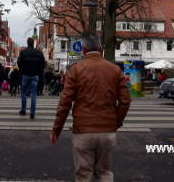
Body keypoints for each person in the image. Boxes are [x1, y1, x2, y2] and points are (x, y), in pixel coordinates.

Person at [50, 35, 131, 182]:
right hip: (107, 131)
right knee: (105, 171)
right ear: (100, 49)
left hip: (83, 130)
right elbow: (125, 100)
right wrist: (116, 122)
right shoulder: (115, 70)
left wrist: (57, 129)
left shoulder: (75, 70)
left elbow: (65, 102)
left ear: (83, 49)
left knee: (84, 174)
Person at [17, 37, 45, 119]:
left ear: (27, 43)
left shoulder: (23, 52)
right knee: (33, 94)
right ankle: (32, 113)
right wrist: (38, 70)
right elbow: (43, 64)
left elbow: (19, 62)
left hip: (25, 74)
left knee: (23, 93)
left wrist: (22, 69)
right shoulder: (39, 53)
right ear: (33, 43)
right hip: (35, 75)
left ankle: (23, 110)